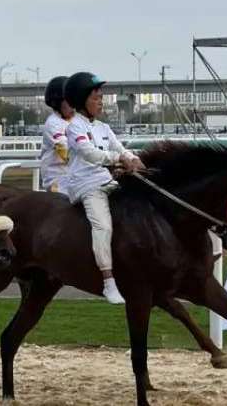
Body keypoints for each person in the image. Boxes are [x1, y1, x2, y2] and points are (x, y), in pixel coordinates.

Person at [62, 72, 145, 305]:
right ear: (81, 101)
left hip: (107, 180)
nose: (101, 101)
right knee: (103, 226)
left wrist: (133, 158)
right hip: (86, 185)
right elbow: (90, 153)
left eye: (101, 97)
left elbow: (120, 147)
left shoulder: (103, 127)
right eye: (96, 98)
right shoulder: (74, 128)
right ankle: (108, 281)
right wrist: (118, 159)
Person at [39, 76, 74, 193]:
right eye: (69, 101)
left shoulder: (79, 121)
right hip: (58, 181)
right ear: (57, 103)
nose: (74, 105)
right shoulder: (53, 124)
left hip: (77, 176)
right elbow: (66, 151)